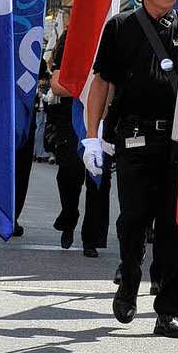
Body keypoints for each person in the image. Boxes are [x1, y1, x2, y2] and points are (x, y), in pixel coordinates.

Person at [84, 0, 178, 339]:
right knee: (133, 220)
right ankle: (129, 278)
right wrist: (92, 136)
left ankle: (168, 311)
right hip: (135, 138)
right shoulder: (120, 27)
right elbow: (102, 83)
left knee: (175, 227)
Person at [48, 29, 111, 257]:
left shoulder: (113, 29)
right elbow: (56, 84)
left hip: (103, 115)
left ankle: (91, 238)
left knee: (98, 178)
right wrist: (86, 90)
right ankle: (69, 215)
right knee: (69, 172)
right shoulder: (71, 36)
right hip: (71, 117)